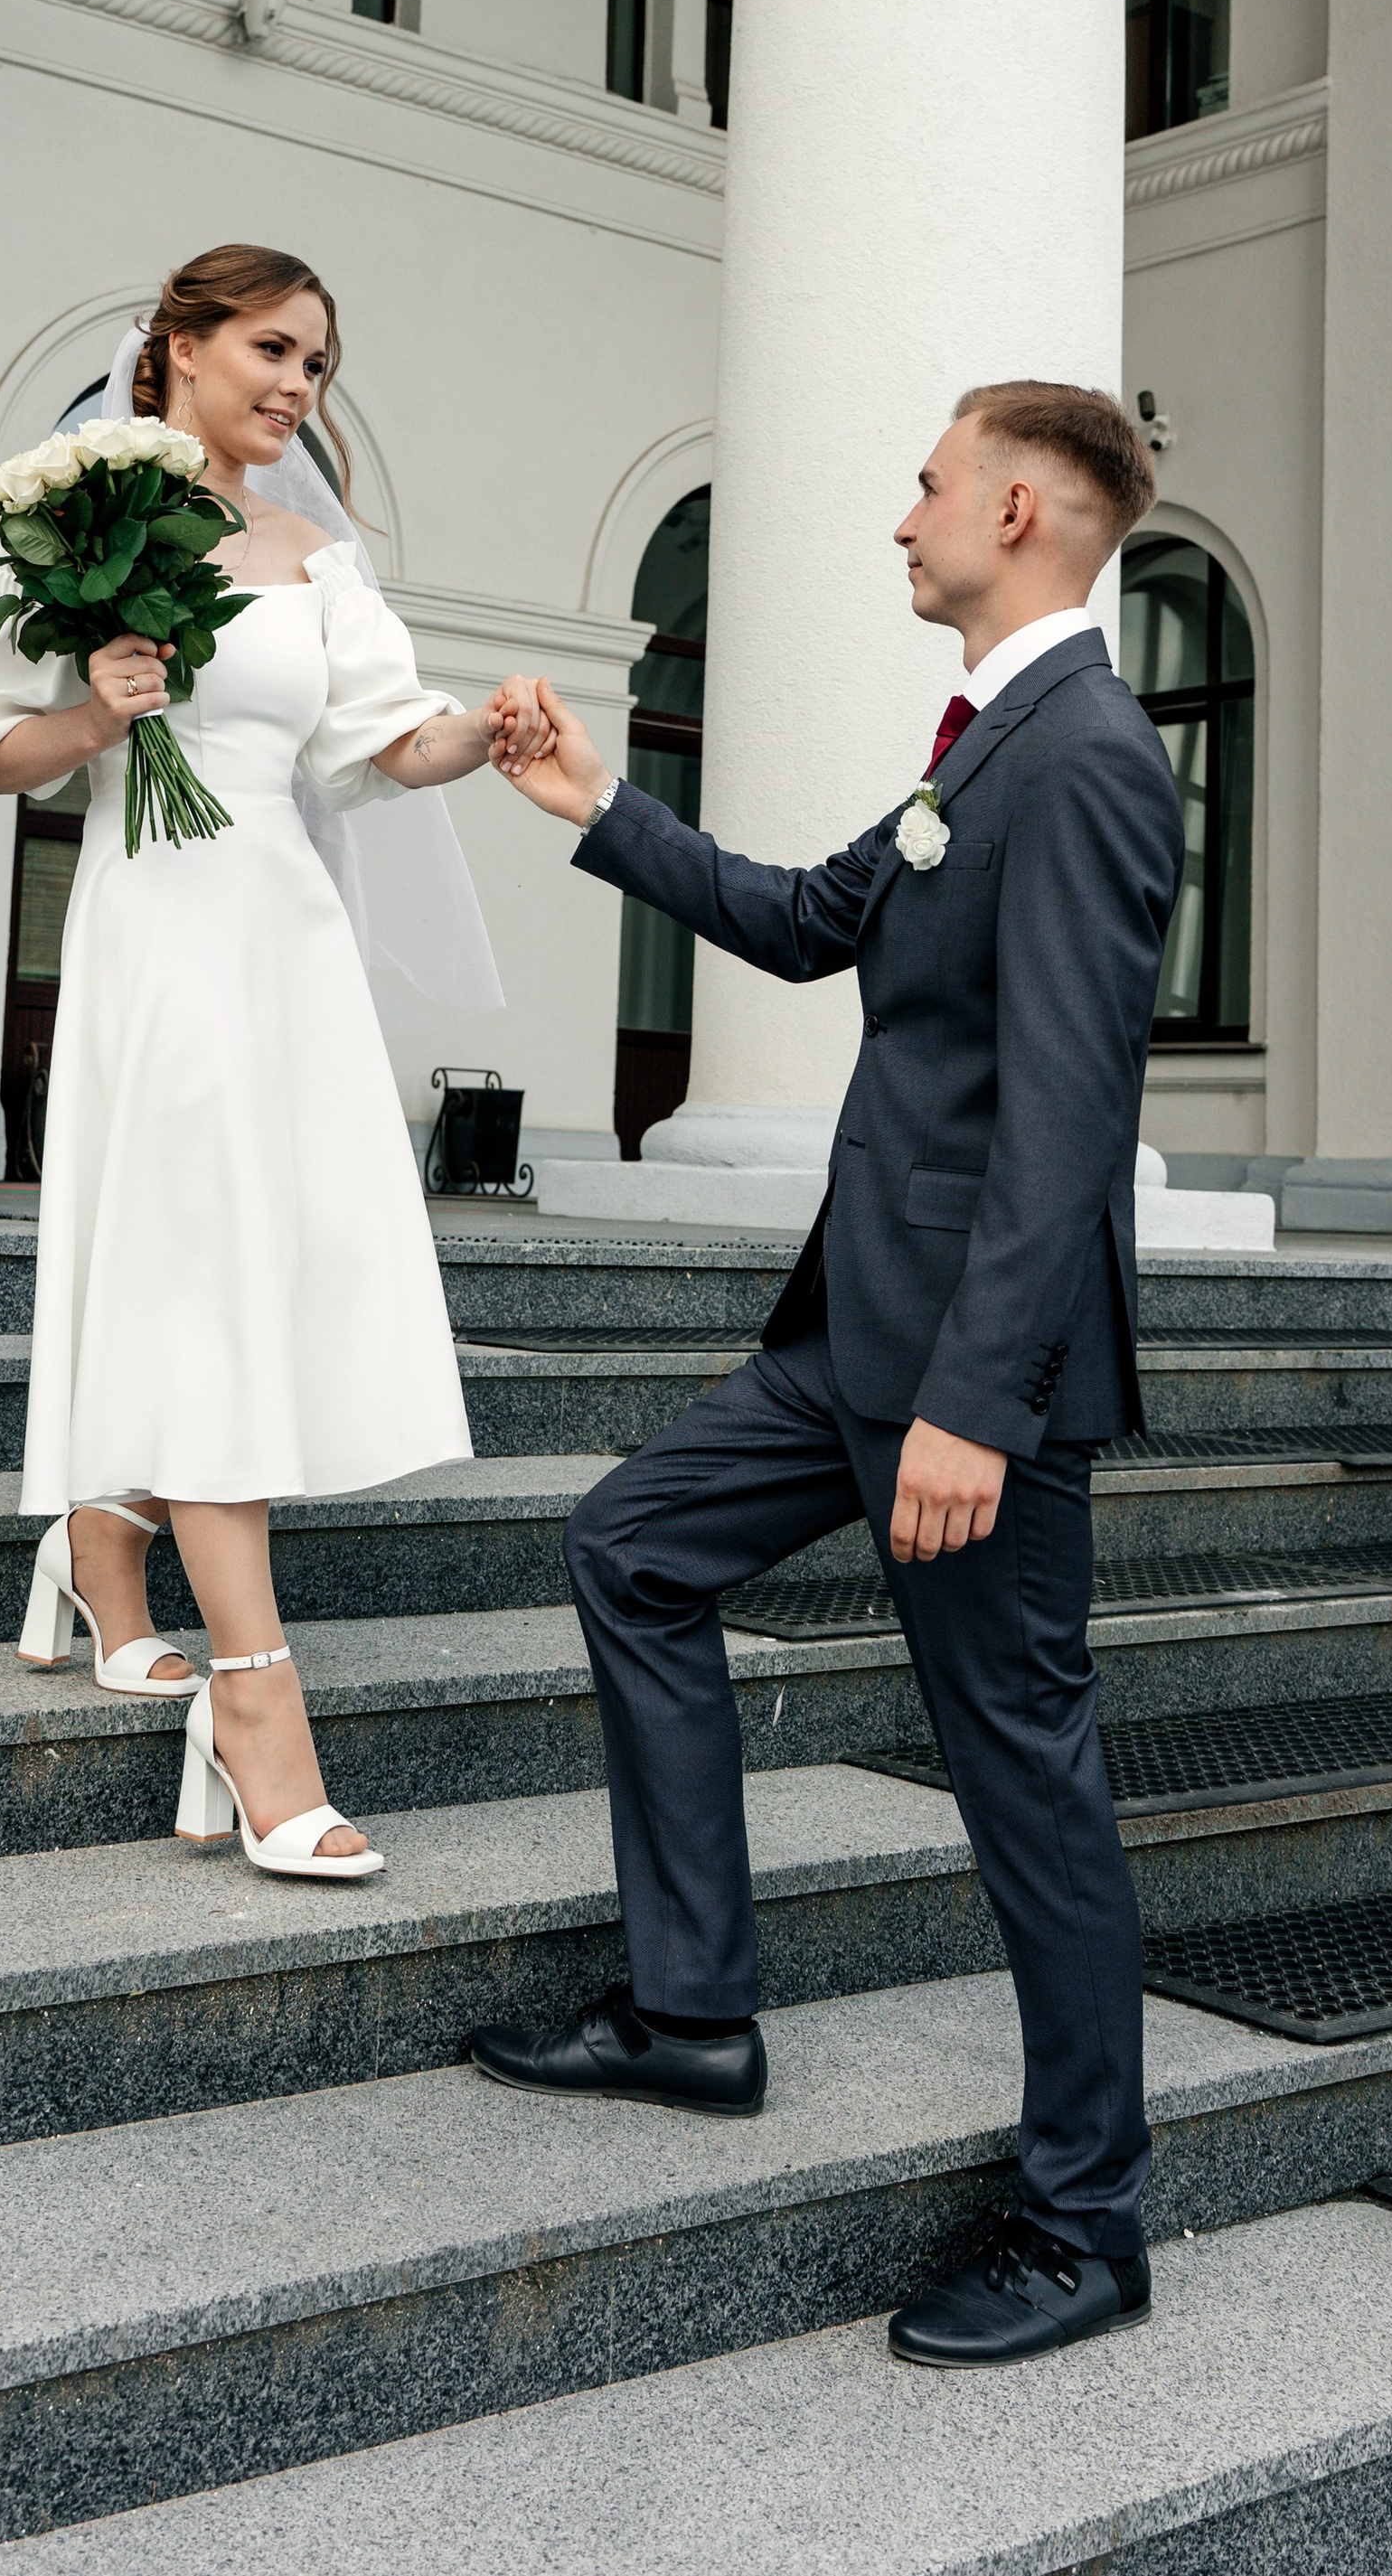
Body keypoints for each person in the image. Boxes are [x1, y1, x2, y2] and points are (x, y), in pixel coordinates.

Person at [468, 382, 1184, 2368]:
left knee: (1023, 1780)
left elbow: (1061, 1114)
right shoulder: (985, 743)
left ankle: (1084, 2221)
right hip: (847, 1339)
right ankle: (691, 2011)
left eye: (929, 483)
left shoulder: (1093, 756)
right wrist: (589, 806)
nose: (901, 516)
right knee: (628, 1546)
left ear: (1022, 508)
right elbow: (803, 923)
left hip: (964, 1373)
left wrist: (977, 1396)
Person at [0, 244, 544, 1882]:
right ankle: (258, 1705)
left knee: (252, 1263)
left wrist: (492, 729)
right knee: (196, 1268)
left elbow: (383, 744)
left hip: (287, 944)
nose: (294, 386)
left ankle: (103, 1539)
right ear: (178, 347)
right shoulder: (78, 529)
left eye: (319, 367)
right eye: (272, 348)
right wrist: (99, 711)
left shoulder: (319, 556)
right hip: (160, 936)